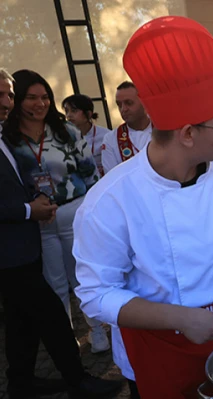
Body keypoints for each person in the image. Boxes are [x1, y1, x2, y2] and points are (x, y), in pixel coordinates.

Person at [73, 17, 213, 399]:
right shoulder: (110, 200)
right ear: (188, 134)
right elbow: (96, 294)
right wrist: (180, 318)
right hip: (159, 343)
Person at [0, 68, 123, 399]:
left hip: (68, 215)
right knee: (51, 296)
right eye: (29, 97)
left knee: (72, 284)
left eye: (45, 97)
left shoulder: (64, 131)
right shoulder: (8, 137)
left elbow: (90, 173)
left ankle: (91, 334)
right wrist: (29, 210)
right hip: (29, 230)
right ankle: (71, 363)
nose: (39, 104)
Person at [100, 81, 152, 174]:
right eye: (119, 105)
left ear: (144, 102)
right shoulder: (111, 139)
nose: (123, 109)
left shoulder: (164, 130)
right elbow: (112, 176)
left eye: (129, 103)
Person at [62, 94, 112, 176]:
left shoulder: (106, 136)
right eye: (67, 111)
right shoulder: (63, 137)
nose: (68, 115)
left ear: (88, 114)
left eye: (74, 111)